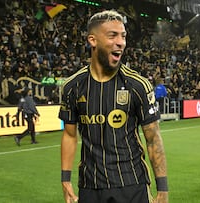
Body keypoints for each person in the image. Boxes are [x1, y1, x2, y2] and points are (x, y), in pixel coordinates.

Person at [58, 10, 168, 203]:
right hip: (90, 186)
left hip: (132, 184)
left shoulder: (137, 85)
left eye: (123, 36)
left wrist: (163, 189)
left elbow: (153, 139)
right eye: (113, 35)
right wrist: (65, 179)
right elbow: (69, 134)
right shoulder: (72, 87)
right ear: (92, 40)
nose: (121, 42)